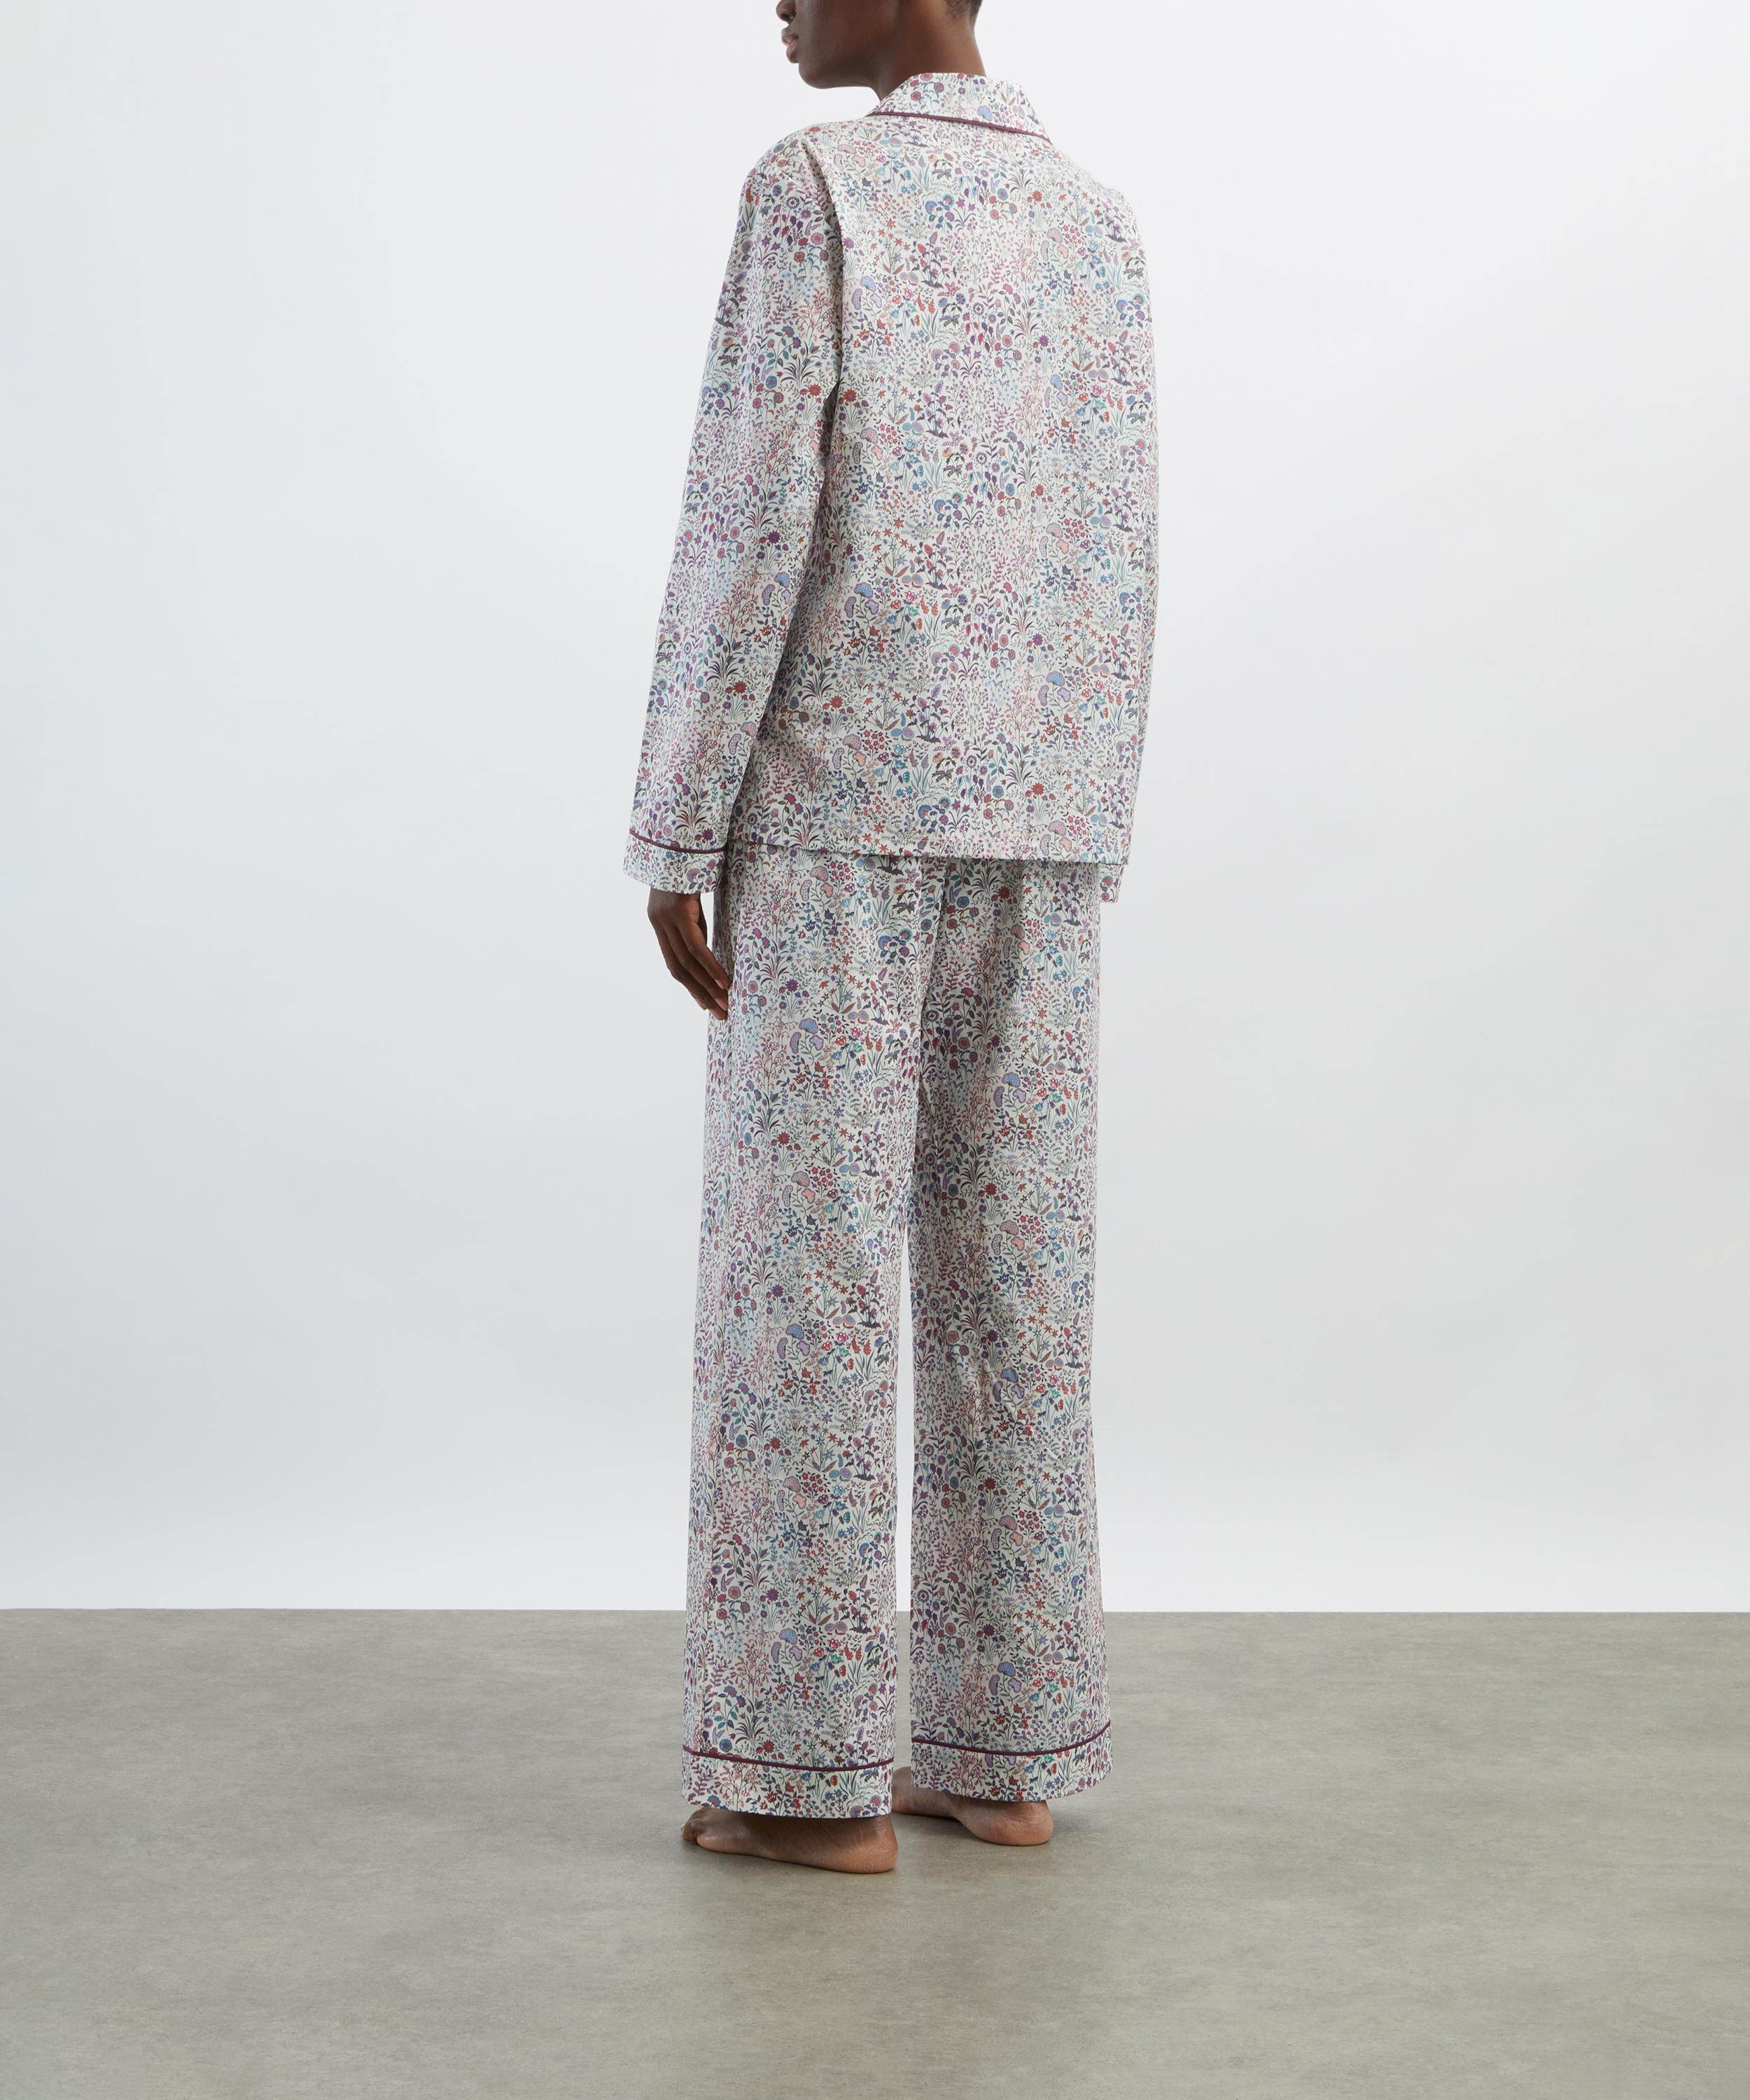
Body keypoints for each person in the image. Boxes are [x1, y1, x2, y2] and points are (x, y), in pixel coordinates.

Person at [624, 0, 1157, 1872]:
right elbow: (1122, 535)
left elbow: (746, 517)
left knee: (810, 1292)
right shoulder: (1096, 222)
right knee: (1018, 1289)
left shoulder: (819, 190)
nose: (776, 2)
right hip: (1043, 818)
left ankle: (808, 1782)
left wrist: (676, 820)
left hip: (839, 811)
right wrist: (1088, 804)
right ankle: (1001, 1755)